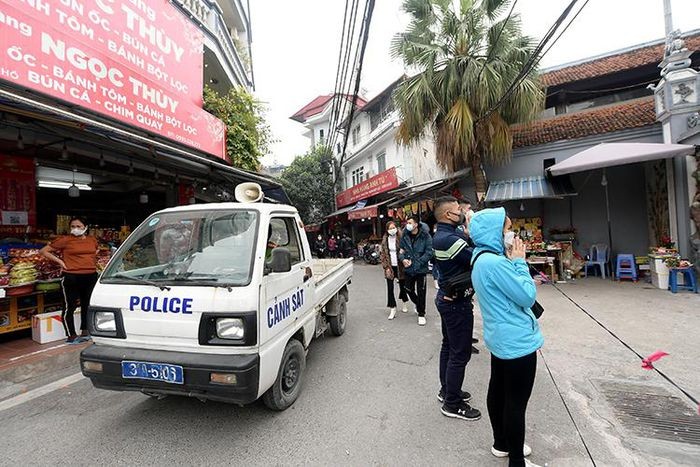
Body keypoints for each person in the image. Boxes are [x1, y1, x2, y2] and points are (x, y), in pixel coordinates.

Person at [470, 207, 544, 467]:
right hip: (518, 342)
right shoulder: (496, 263)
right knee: (515, 403)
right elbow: (526, 296)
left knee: (499, 391)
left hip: (500, 338)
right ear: (493, 231)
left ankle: (501, 443)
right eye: (506, 228)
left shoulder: (480, 257)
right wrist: (520, 262)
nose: (511, 234)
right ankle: (516, 462)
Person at [432, 196, 482, 421]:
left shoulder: (444, 235)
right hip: (456, 304)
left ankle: (447, 391)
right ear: (447, 215)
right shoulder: (450, 240)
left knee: (448, 347)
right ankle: (452, 403)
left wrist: (467, 231)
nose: (461, 212)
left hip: (447, 298)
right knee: (459, 353)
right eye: (457, 210)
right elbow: (477, 259)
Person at [40, 217, 99, 344]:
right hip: (71, 276)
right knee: (69, 306)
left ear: (85, 227)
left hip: (90, 275)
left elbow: (95, 252)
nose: (75, 229)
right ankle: (71, 335)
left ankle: (85, 330)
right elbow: (44, 251)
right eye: (73, 226)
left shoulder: (92, 240)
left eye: (78, 226)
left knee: (87, 305)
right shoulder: (65, 240)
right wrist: (61, 262)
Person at [399, 215, 433, 326]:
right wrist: (403, 260)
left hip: (421, 269)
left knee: (421, 291)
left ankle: (421, 314)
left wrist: (417, 262)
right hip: (408, 269)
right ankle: (418, 305)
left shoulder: (425, 236)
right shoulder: (405, 236)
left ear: (416, 224)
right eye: (407, 223)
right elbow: (401, 251)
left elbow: (429, 252)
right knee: (408, 288)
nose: (407, 225)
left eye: (410, 222)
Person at [380, 221, 409, 319]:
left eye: (394, 228)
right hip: (390, 266)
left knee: (403, 286)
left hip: (400, 266)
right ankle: (392, 308)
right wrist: (386, 267)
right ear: (387, 230)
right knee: (390, 288)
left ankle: (404, 302)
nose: (392, 230)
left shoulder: (401, 238)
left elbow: (406, 250)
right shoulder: (385, 240)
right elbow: (383, 255)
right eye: (390, 228)